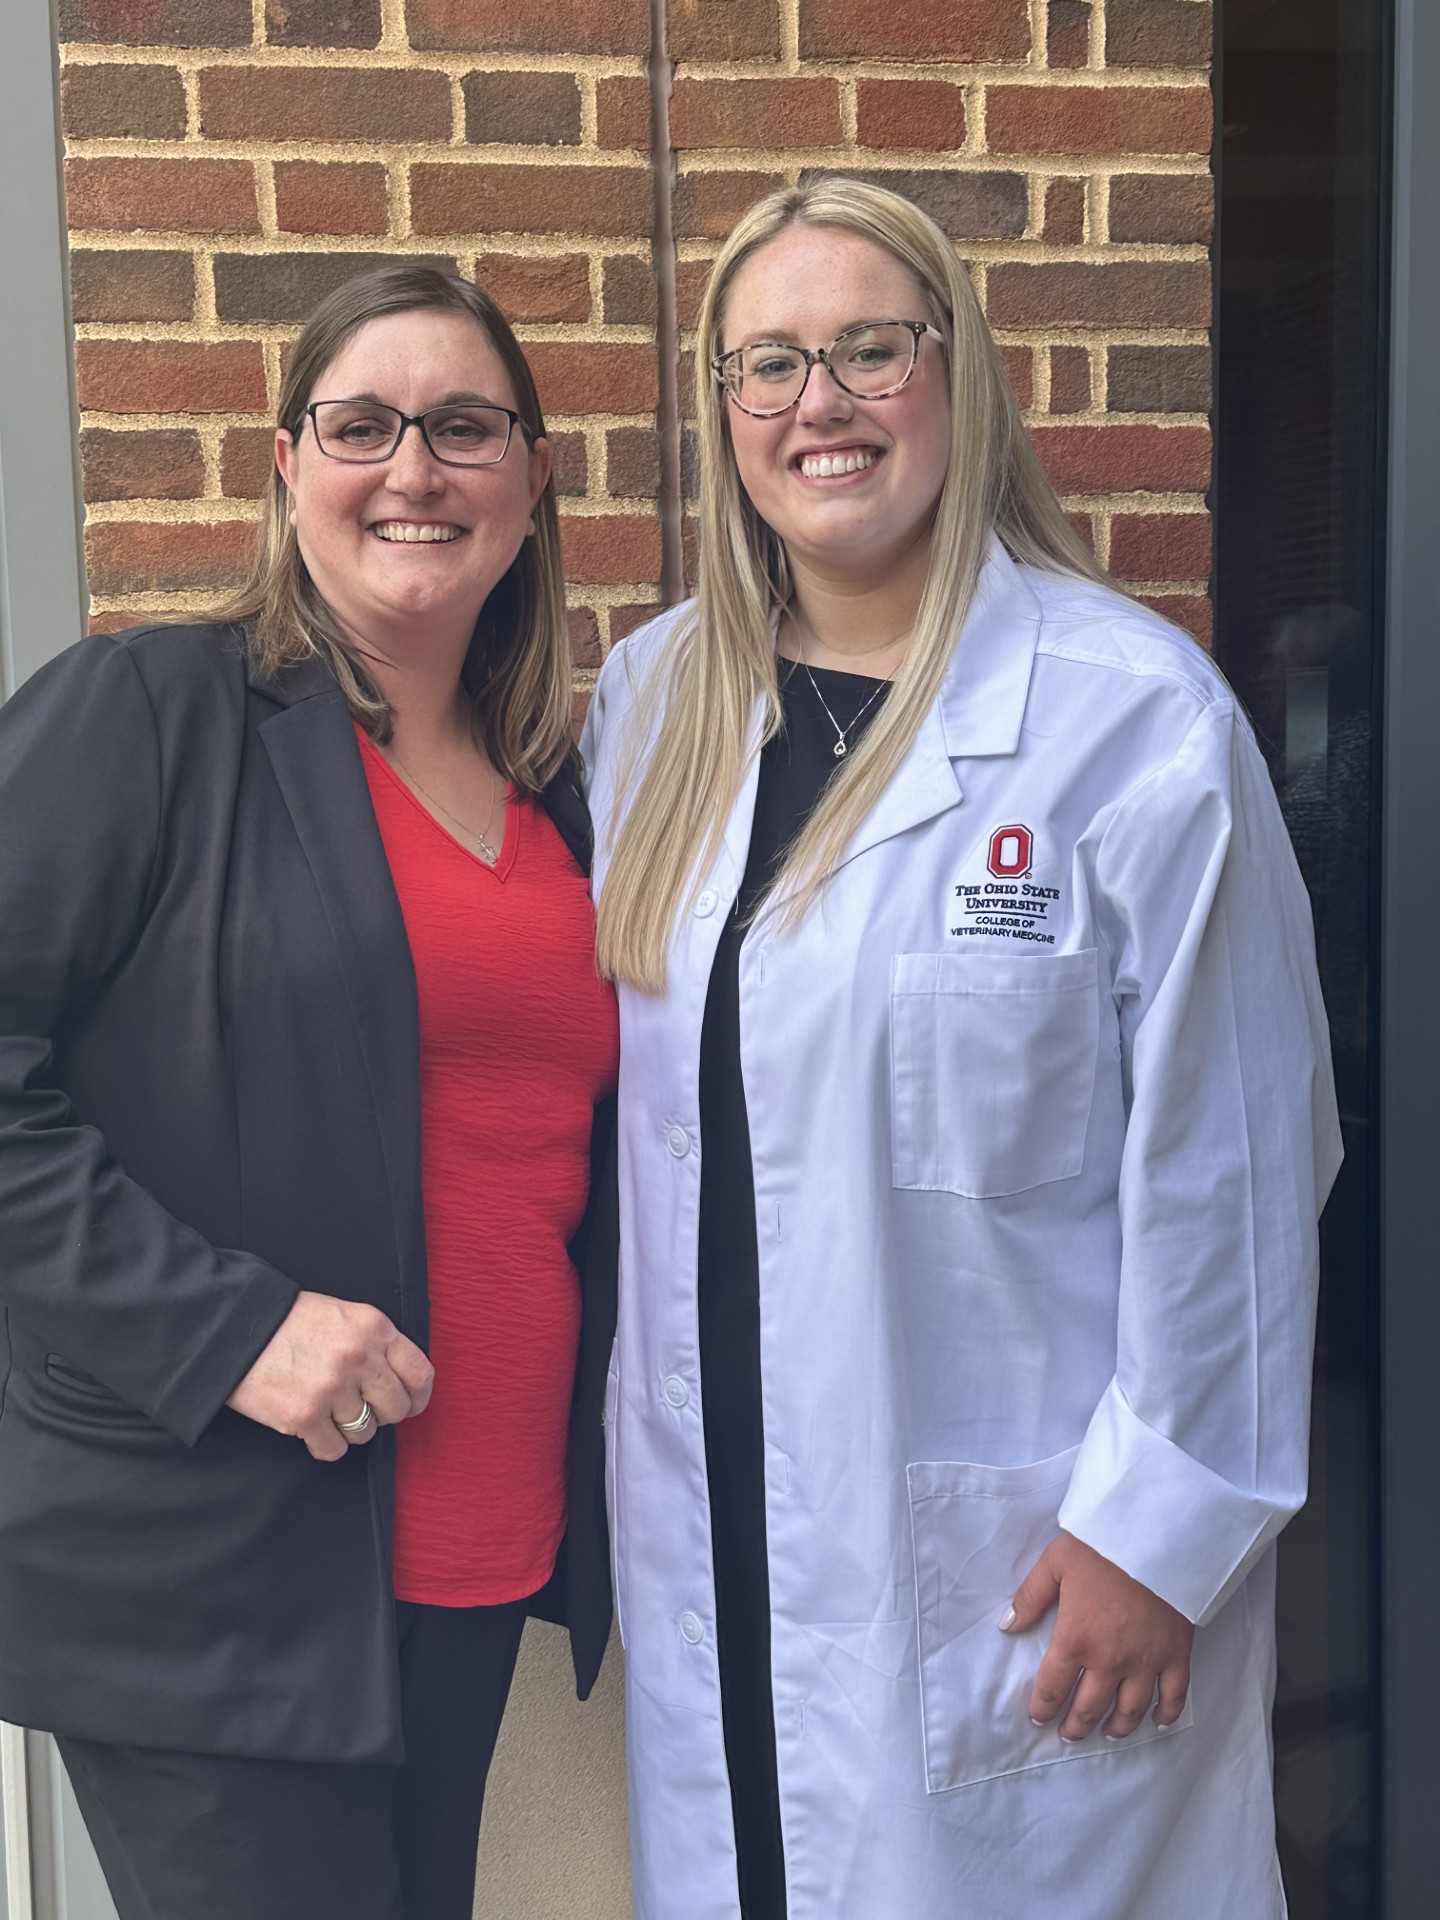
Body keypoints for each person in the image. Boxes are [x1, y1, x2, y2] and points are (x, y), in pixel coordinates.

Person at [582, 177, 1341, 1919]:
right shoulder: (653, 711)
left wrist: (1164, 1530)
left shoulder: (1129, 718)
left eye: (868, 349)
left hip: (1021, 1556)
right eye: (766, 365)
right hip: (726, 1535)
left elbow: (1239, 1158)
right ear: (720, 416)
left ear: (959, 376)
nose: (816, 405)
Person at [0, 266, 619, 1920]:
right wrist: (229, 1327)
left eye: (467, 427)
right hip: (218, 1583)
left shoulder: (564, 792)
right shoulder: (149, 717)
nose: (415, 470)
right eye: (364, 425)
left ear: (534, 475)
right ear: (287, 463)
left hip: (475, 1557)